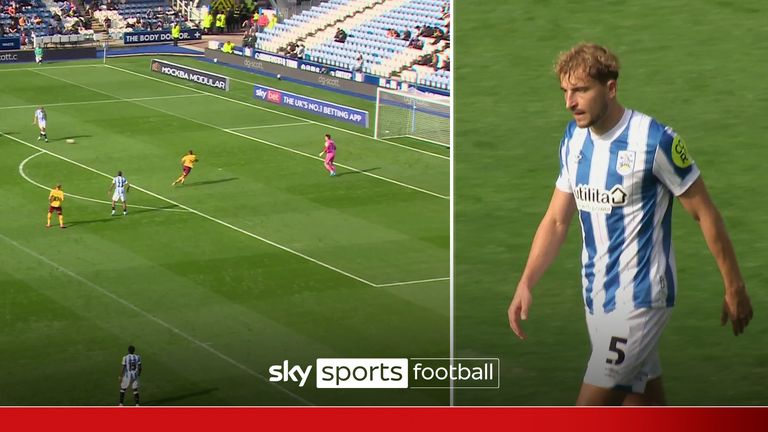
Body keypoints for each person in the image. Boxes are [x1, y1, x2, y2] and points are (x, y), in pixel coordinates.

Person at [507, 43, 753, 406]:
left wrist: (734, 286)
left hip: (642, 299)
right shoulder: (573, 139)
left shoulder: (655, 142)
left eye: (581, 90)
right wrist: (526, 281)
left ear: (610, 88)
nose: (570, 102)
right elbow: (558, 220)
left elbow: (705, 213)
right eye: (566, 91)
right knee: (640, 404)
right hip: (597, 298)